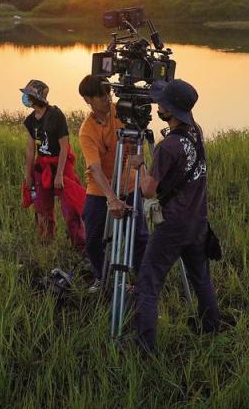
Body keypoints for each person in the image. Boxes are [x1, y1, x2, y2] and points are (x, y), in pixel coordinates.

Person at [121, 79, 221, 353]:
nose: (157, 106)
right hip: (197, 221)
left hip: (173, 226)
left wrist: (139, 166)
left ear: (168, 109)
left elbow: (147, 191)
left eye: (161, 103)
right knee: (201, 278)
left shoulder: (167, 147)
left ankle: (144, 346)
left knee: (148, 283)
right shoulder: (195, 132)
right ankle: (212, 329)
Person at [77, 74, 148, 292]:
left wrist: (141, 162)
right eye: (100, 96)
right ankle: (102, 277)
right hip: (100, 189)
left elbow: (141, 138)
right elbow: (94, 168)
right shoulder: (87, 130)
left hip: (129, 183)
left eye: (108, 93)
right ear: (88, 99)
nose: (107, 99)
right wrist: (112, 198)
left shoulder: (123, 111)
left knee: (139, 237)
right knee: (93, 240)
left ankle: (143, 282)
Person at [21, 79, 86, 250]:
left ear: (37, 97)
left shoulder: (56, 116)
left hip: (60, 166)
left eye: (28, 95)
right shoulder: (30, 121)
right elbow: (30, 150)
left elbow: (65, 146)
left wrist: (59, 175)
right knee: (42, 208)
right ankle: (46, 242)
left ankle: (78, 244)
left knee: (71, 207)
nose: (25, 98)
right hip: (42, 166)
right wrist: (28, 174)